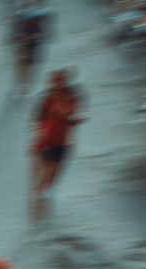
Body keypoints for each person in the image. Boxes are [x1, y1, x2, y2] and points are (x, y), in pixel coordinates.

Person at [30, 69, 84, 228]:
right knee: (40, 185)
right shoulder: (46, 99)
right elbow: (37, 120)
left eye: (60, 80)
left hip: (62, 144)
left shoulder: (72, 97)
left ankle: (44, 216)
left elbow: (76, 117)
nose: (57, 83)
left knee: (50, 185)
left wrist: (72, 119)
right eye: (54, 80)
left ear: (65, 81)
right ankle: (37, 222)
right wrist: (40, 132)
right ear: (50, 82)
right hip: (45, 143)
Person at [12, 3, 52, 97]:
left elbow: (42, 35)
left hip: (32, 46)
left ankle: (27, 85)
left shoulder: (36, 23)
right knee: (22, 65)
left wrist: (32, 37)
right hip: (24, 46)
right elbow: (16, 36)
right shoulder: (21, 22)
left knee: (29, 66)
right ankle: (23, 84)